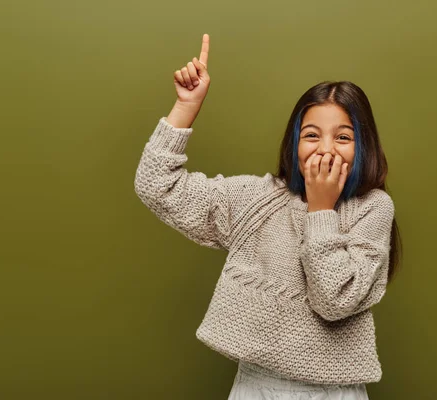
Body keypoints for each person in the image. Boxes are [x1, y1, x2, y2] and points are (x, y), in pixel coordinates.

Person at [134, 33, 402, 400]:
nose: (326, 149)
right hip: (257, 387)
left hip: (335, 393)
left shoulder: (373, 208)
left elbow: (334, 301)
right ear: (294, 143)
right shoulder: (260, 199)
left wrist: (320, 209)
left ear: (364, 145)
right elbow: (156, 185)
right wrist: (186, 107)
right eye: (311, 135)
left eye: (343, 137)